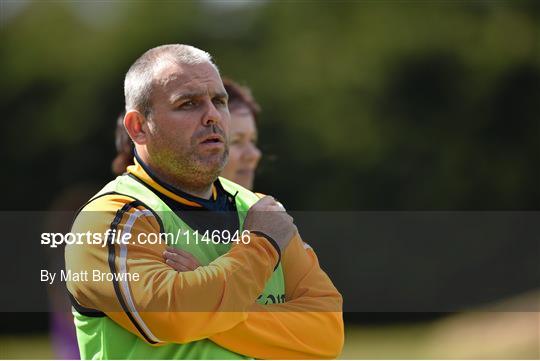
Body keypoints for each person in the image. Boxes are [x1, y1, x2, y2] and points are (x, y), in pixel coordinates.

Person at [65, 44, 343, 360]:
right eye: (188, 104)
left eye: (219, 101)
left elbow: (326, 334)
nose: (212, 115)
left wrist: (208, 296)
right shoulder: (109, 218)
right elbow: (174, 316)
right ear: (138, 127)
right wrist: (261, 246)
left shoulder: (259, 209)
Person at [112, 78, 262, 190]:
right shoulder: (125, 216)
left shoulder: (258, 210)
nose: (254, 155)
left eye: (252, 141)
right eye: (235, 140)